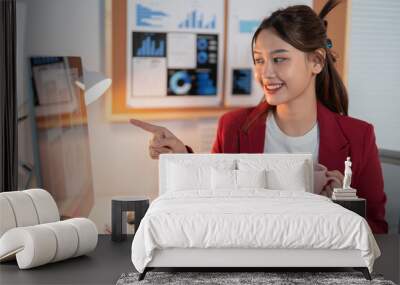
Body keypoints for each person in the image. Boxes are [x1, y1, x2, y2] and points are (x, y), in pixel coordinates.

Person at [129, 0, 388, 234]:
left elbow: (377, 228)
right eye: (259, 60)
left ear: (316, 62)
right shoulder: (232, 127)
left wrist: (341, 207)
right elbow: (212, 202)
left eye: (279, 59)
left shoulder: (359, 137)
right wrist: (181, 158)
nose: (266, 72)